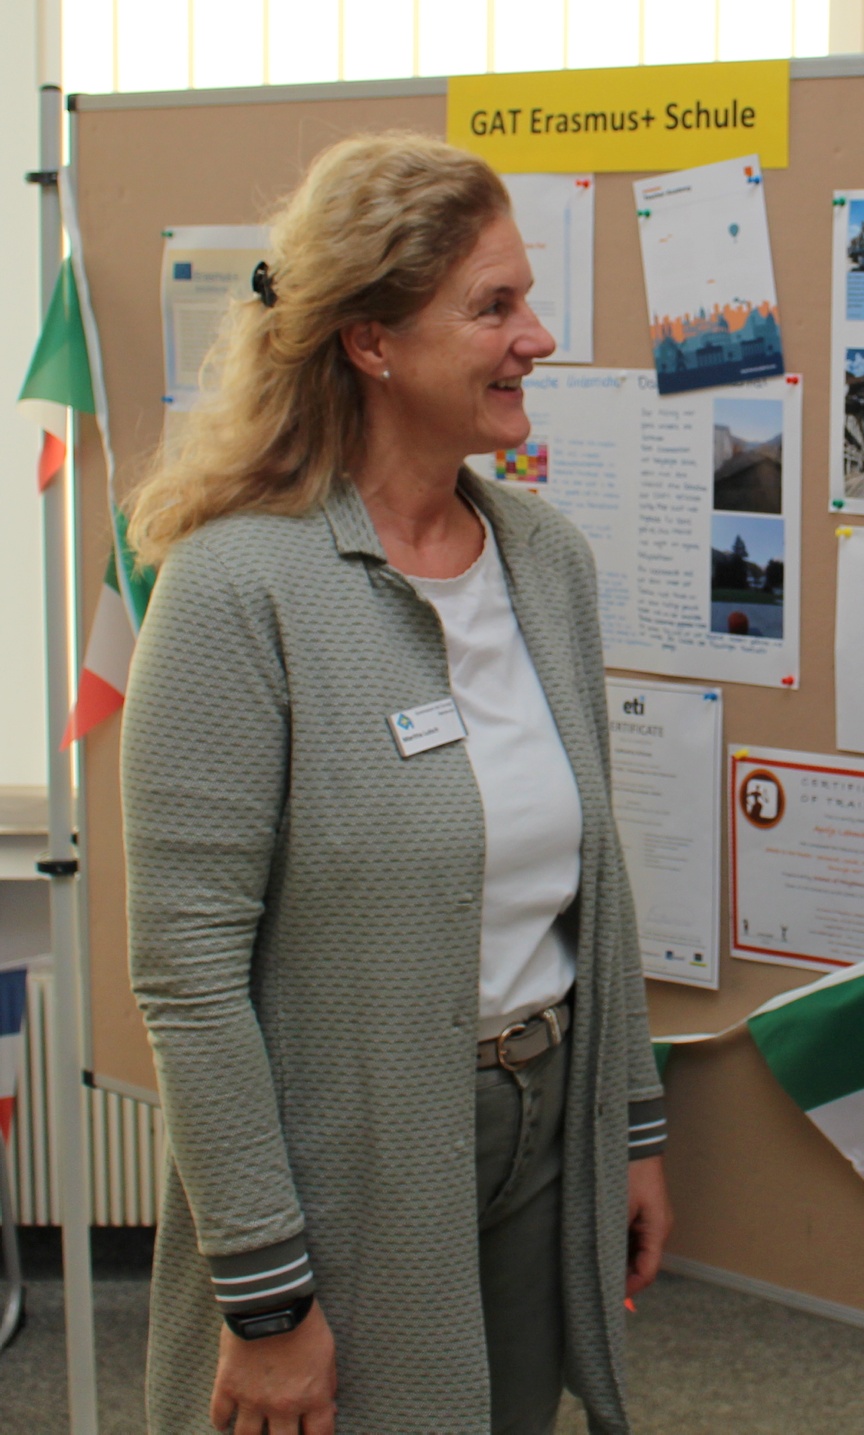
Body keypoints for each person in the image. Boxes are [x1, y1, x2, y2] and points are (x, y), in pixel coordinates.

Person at [120, 132, 669, 1435]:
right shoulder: (236, 584)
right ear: (372, 341)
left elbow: (594, 879)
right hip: (346, 1155)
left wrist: (630, 1128)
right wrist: (265, 1298)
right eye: (494, 306)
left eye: (528, 298)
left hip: (543, 1129)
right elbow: (188, 973)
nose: (537, 337)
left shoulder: (543, 559)